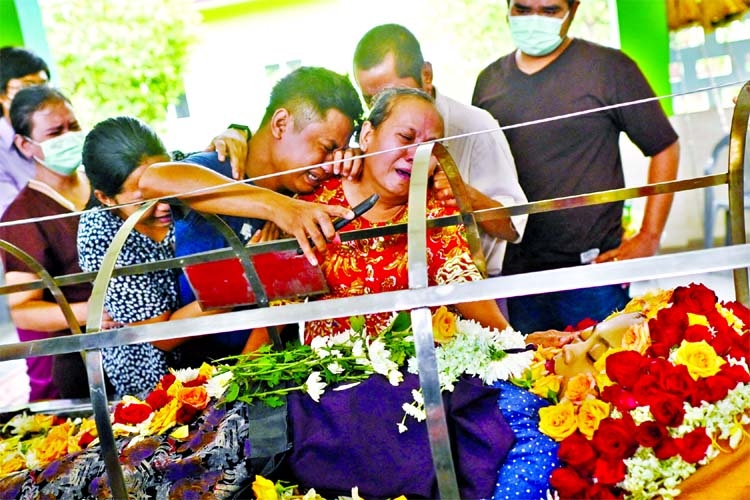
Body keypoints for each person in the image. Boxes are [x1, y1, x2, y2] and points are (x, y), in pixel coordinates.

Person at [291, 87, 560, 499]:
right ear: (367, 135)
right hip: (325, 400)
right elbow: (279, 302)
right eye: (405, 138)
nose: (417, 155)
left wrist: (521, 349)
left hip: (411, 397)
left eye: (430, 146)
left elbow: (466, 288)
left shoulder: (434, 209)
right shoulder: (314, 200)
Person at [472, 0, 680, 333]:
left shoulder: (609, 68)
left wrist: (649, 235)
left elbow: (665, 147)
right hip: (517, 277)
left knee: (605, 378)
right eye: (522, 10)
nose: (534, 20)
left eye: (550, 10)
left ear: (574, 9)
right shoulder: (488, 83)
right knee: (531, 381)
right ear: (507, 8)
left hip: (593, 272)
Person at [138, 66, 365, 304]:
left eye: (340, 151)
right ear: (280, 124)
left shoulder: (310, 192)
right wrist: (278, 207)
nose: (330, 164)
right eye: (328, 148)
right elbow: (153, 179)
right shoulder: (221, 164)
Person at [352, 23, 528, 280]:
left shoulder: (475, 126)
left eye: (395, 93)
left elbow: (513, 228)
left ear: (426, 76)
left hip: (477, 288)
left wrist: (463, 195)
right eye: (370, 100)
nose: (383, 107)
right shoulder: (372, 131)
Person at [0, 86, 92, 400]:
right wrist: (93, 312)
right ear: (25, 145)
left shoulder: (104, 185)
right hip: (85, 359)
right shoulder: (22, 218)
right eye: (55, 132)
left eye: (74, 127)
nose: (69, 137)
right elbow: (24, 311)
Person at [0, 46, 50, 216]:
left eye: (44, 86)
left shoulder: (58, 135)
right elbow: (12, 216)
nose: (38, 97)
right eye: (27, 87)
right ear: (1, 94)